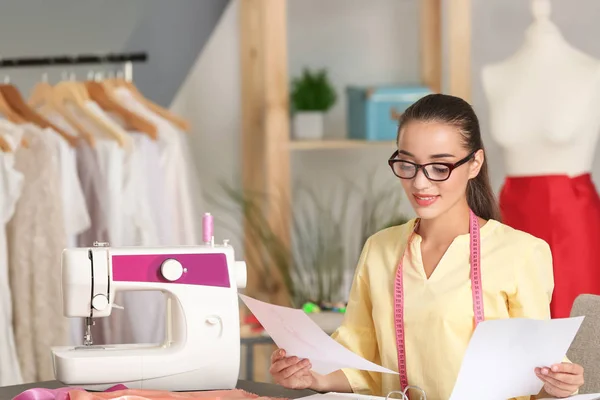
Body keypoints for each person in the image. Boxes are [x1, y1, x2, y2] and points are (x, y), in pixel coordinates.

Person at [269, 94, 585, 400]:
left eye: (439, 167)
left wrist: (558, 385)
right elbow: (362, 363)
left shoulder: (521, 253)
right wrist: (313, 376)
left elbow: (534, 378)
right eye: (407, 164)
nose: (420, 183)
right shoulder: (380, 249)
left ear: (474, 163)